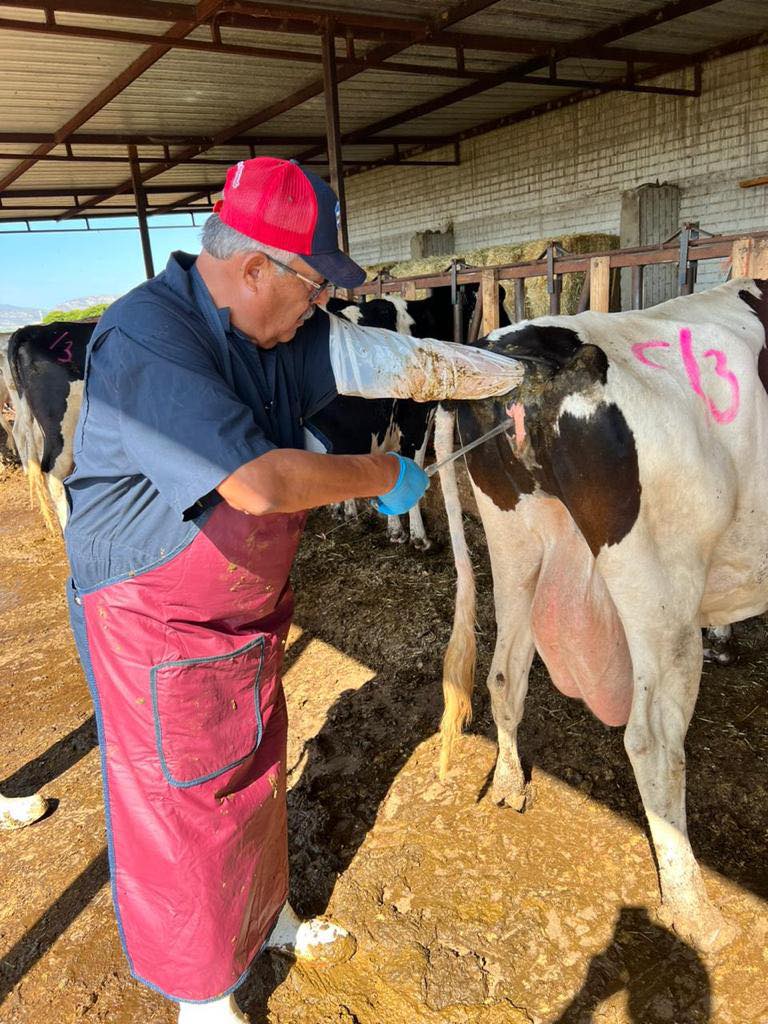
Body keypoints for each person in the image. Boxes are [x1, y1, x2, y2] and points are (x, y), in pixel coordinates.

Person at [63, 157, 522, 1023]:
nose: (323, 306)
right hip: (152, 619)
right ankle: (203, 997)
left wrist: (515, 379)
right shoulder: (147, 336)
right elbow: (259, 485)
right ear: (255, 269)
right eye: (316, 285)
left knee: (255, 771)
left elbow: (409, 365)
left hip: (241, 613)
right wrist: (382, 468)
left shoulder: (281, 333)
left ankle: (265, 918)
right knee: (183, 802)